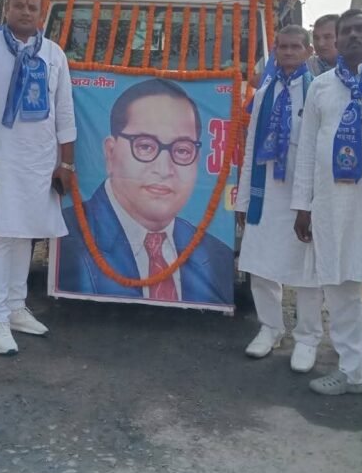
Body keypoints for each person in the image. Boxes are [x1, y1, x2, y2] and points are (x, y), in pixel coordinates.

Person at [291, 10, 362, 406]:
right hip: (330, 205)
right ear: (335, 40)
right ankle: (351, 372)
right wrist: (303, 205)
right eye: (344, 31)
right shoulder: (321, 86)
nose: (352, 36)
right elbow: (307, 148)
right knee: (338, 289)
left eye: (359, 30)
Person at [0, 0, 76, 356]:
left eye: (33, 6)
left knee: (26, 234)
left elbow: (65, 111)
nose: (26, 12)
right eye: (19, 5)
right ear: (7, 10)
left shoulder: (53, 53)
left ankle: (16, 308)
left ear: (42, 13)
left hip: (39, 160)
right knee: (1, 235)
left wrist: (66, 162)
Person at [59, 78, 234, 305]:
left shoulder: (216, 255)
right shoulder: (68, 239)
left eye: (182, 150)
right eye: (145, 146)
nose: (164, 169)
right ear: (110, 153)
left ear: (197, 161)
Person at [236, 25, 323, 366]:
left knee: (307, 271)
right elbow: (250, 149)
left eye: (295, 47)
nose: (288, 52)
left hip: (304, 195)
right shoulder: (263, 93)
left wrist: (309, 203)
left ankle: (308, 337)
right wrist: (244, 198)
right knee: (260, 264)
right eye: (282, 47)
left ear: (308, 51)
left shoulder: (318, 91)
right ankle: (270, 327)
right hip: (267, 193)